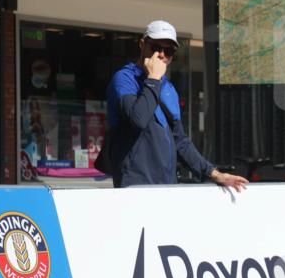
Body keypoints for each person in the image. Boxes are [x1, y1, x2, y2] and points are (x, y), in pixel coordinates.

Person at [104, 20, 247, 191]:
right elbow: (138, 119)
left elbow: (180, 141)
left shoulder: (168, 88)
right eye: (156, 47)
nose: (162, 55)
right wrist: (153, 79)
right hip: (135, 186)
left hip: (167, 186)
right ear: (142, 45)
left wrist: (214, 174)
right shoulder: (125, 79)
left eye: (169, 51)